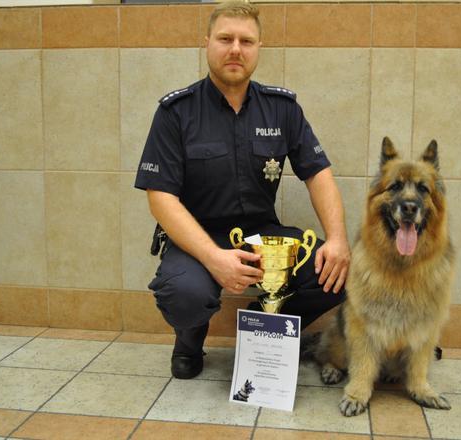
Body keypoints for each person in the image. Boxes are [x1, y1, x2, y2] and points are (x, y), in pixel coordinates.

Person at [135, 0, 350, 380]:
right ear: (207, 44)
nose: (235, 49)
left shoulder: (282, 109)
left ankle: (272, 334)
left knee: (341, 273)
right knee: (183, 293)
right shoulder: (176, 113)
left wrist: (337, 239)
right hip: (198, 238)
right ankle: (188, 342)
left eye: (246, 41)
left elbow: (319, 174)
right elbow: (160, 197)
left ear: (258, 49)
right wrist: (215, 259)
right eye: (225, 38)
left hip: (264, 236)